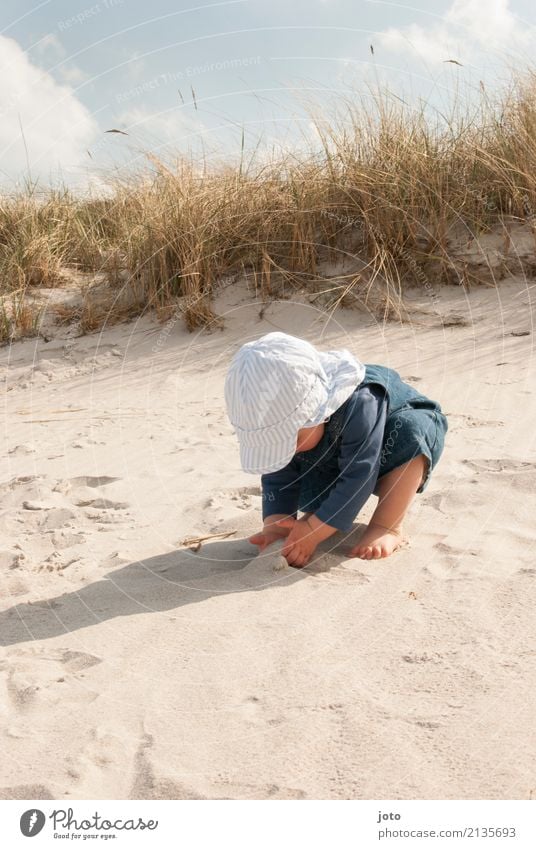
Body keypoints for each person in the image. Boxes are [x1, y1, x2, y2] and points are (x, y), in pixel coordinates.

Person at [224, 332, 448, 567]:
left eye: (292, 437)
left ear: (316, 410)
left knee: (413, 432)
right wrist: (275, 527)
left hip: (387, 449)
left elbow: (359, 475)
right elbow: (277, 474)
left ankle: (387, 526)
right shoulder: (303, 431)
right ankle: (324, 513)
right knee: (293, 463)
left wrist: (314, 530)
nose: (286, 449)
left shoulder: (362, 404)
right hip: (333, 459)